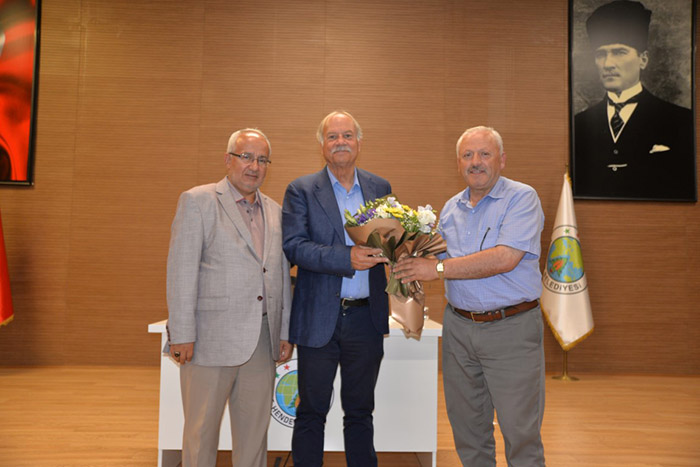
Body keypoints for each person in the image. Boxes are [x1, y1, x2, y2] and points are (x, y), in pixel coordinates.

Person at [394, 126, 546, 466]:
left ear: (501, 160)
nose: (475, 162)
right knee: (468, 431)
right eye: (467, 155)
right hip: (459, 330)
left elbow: (505, 258)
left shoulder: (522, 198)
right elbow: (435, 257)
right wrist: (399, 253)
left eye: (484, 154)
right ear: (458, 163)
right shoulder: (451, 208)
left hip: (511, 328)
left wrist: (436, 269)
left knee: (520, 432)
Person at [166, 128, 292, 467]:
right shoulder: (198, 201)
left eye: (262, 159)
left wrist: (284, 331)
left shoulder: (276, 211)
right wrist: (181, 333)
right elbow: (181, 271)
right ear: (228, 159)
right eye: (246, 157)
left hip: (262, 342)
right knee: (201, 434)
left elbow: (280, 275)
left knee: (254, 438)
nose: (254, 166)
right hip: (209, 341)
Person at [282, 111, 391, 467]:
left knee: (360, 411)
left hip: (365, 319)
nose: (340, 142)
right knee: (311, 411)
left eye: (347, 135)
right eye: (332, 136)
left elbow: (390, 240)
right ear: (322, 145)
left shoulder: (380, 188)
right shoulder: (301, 190)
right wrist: (347, 258)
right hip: (318, 319)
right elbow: (294, 247)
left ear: (359, 142)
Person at [573, 0, 695, 200]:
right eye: (601, 54)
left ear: (643, 59)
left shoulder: (681, 121)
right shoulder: (578, 125)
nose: (608, 64)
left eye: (619, 52)